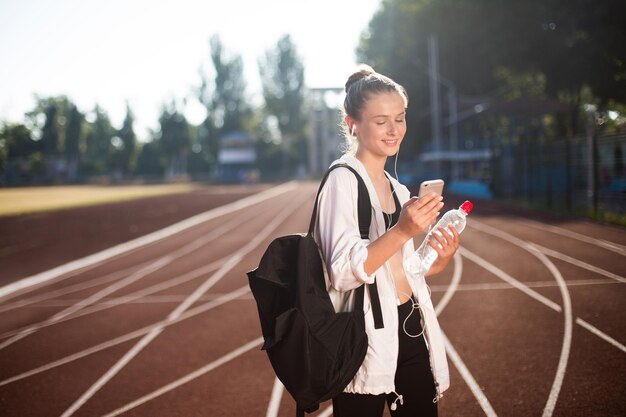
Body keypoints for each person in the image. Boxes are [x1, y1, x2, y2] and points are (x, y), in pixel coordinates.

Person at [314, 64, 459, 417]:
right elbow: (343, 272)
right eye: (381, 121)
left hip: (409, 329)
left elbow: (402, 270)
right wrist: (402, 231)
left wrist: (437, 257)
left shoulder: (398, 189)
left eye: (400, 118)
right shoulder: (342, 180)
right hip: (362, 338)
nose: (394, 130)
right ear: (353, 123)